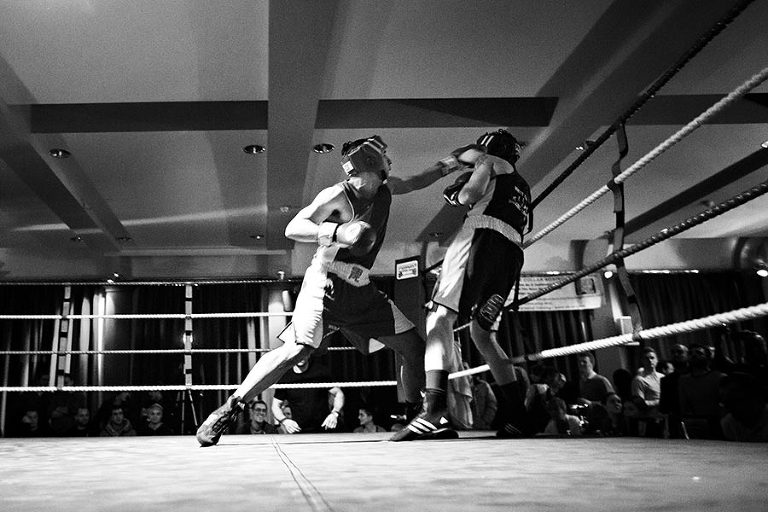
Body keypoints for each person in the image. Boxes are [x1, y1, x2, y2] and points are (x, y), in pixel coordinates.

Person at [197, 135, 469, 447]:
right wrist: (338, 231)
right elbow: (294, 227)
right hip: (325, 284)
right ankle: (229, 408)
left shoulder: (386, 189)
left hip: (361, 290)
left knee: (414, 347)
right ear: (370, 160)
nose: (390, 160)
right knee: (297, 350)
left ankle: (417, 417)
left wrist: (453, 162)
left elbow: (416, 181)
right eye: (385, 155)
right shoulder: (337, 195)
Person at [392, 129, 532, 441]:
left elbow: (469, 195)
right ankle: (518, 415)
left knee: (440, 317)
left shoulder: (488, 161)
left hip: (480, 239)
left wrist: (459, 193)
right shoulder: (521, 185)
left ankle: (434, 410)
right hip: (511, 253)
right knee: (482, 334)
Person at [271, 354, 345, 434]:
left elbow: (338, 394)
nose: (301, 357)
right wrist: (285, 421)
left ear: (308, 354)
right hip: (299, 431)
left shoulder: (320, 372)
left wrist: (335, 414)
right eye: (298, 354)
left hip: (324, 428)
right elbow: (275, 405)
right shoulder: (286, 377)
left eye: (303, 353)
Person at [631, 347, 664, 437]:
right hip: (651, 421)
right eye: (646, 358)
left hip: (665, 419)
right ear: (642, 361)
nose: (650, 360)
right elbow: (639, 404)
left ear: (657, 360)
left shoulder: (663, 377)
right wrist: (659, 401)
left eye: (652, 358)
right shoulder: (639, 380)